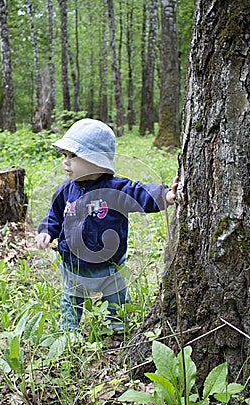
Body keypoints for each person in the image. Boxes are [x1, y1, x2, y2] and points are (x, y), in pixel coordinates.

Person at [37, 118, 178, 333]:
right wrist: (46, 231)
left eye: (73, 156)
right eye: (64, 155)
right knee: (71, 299)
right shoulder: (65, 190)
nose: (65, 161)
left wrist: (166, 195)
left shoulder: (115, 189)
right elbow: (54, 215)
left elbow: (140, 194)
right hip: (73, 263)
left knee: (116, 297)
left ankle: (117, 326)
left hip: (109, 264)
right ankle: (68, 333)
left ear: (96, 159)